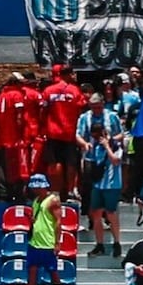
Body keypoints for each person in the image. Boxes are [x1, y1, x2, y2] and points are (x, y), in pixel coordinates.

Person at [76, 93, 122, 227]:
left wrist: (110, 141)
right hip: (91, 158)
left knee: (107, 189)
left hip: (108, 158)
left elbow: (120, 134)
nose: (95, 110)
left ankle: (108, 216)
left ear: (102, 104)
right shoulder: (85, 117)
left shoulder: (112, 116)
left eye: (98, 107)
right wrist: (84, 144)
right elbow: (78, 135)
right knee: (89, 189)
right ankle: (92, 218)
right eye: (93, 107)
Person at [42, 65, 85, 200]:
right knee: (70, 163)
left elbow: (42, 111)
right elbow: (81, 108)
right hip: (69, 132)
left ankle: (55, 191)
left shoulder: (48, 90)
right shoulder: (75, 91)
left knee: (55, 163)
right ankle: (70, 190)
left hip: (52, 132)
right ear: (69, 74)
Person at [86, 121, 124, 258]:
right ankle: (99, 244)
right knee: (96, 213)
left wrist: (107, 146)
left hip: (112, 185)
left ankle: (117, 242)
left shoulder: (116, 145)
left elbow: (115, 160)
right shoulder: (95, 147)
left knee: (111, 213)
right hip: (98, 184)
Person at [27, 173, 62, 285]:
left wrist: (57, 243)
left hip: (47, 242)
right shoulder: (36, 200)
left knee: (53, 271)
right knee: (32, 270)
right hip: (34, 242)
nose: (33, 190)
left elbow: (58, 222)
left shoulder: (53, 201)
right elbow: (37, 218)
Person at [0, 73, 27, 202]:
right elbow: (19, 117)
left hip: (3, 137)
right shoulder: (17, 95)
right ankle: (17, 194)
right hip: (14, 137)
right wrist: (21, 133)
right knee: (17, 167)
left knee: (4, 166)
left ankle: (5, 193)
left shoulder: (2, 95)